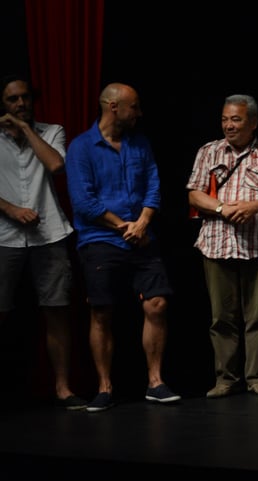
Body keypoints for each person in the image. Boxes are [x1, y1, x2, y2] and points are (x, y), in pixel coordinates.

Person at [65, 82, 180, 411]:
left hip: (141, 236)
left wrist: (142, 222)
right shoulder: (81, 148)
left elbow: (154, 185)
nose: (139, 113)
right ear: (113, 107)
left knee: (157, 303)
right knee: (101, 311)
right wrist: (123, 226)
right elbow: (84, 202)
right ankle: (104, 386)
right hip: (100, 239)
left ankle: (155, 382)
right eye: (134, 107)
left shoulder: (139, 143)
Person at [187, 95, 258, 398]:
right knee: (222, 317)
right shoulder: (208, 151)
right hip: (216, 245)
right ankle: (225, 378)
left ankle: (257, 376)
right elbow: (194, 194)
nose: (229, 126)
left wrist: (254, 207)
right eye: (225, 120)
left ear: (253, 122)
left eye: (236, 120)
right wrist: (222, 208)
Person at [0, 75, 85, 410]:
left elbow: (55, 164)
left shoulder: (52, 131)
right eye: (12, 100)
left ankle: (63, 388)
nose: (21, 104)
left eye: (25, 98)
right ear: (2, 103)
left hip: (49, 234)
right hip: (4, 236)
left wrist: (25, 129)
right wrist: (10, 209)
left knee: (57, 312)